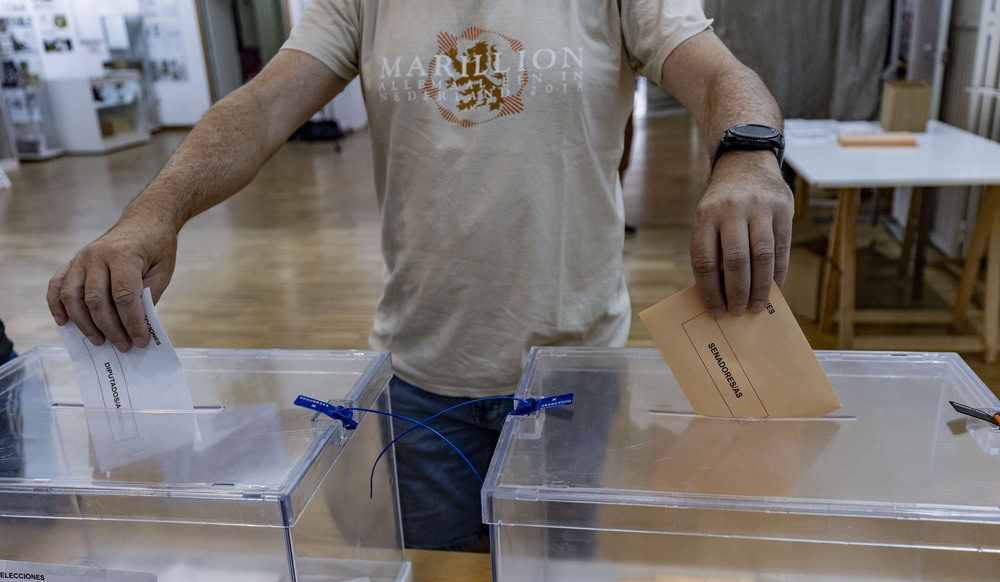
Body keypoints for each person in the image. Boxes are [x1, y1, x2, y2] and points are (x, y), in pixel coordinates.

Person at [47, 1, 793, 551]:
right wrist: (154, 211)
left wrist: (749, 152)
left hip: (568, 382)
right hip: (422, 381)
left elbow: (724, 77)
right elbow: (262, 105)